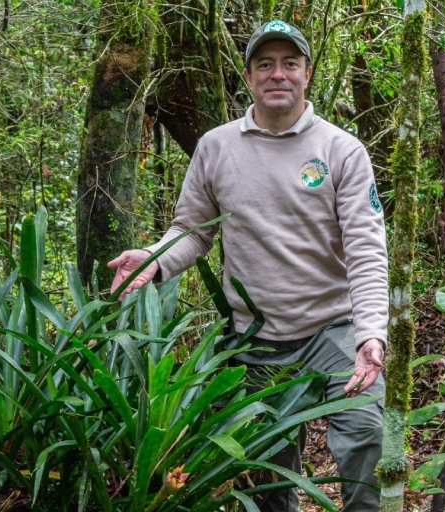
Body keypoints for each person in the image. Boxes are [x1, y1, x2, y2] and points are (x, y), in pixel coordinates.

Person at [107, 19, 388, 511]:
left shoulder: (341, 150)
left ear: (307, 73)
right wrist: (153, 259)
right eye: (265, 65)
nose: (277, 74)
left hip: (333, 326)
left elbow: (366, 248)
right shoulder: (217, 147)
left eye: (289, 64)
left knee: (365, 429)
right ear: (249, 75)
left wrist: (371, 334)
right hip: (256, 336)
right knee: (266, 465)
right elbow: (192, 230)